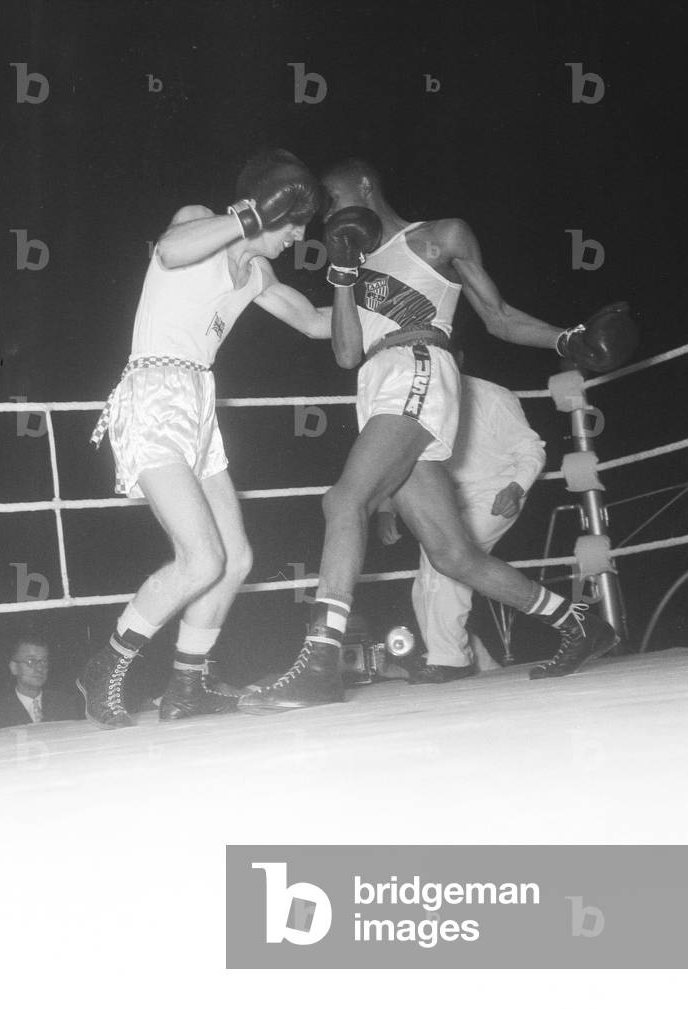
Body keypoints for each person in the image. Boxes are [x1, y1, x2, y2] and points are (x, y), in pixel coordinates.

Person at [239, 157, 637, 712]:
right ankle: (580, 625)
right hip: (378, 382)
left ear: (363, 185)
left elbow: (497, 317)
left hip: (418, 364)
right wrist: (331, 273)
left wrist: (566, 339)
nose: (325, 212)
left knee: (344, 500)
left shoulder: (438, 236)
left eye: (330, 199)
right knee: (452, 555)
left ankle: (322, 662)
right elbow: (346, 351)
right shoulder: (352, 257)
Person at [79, 150, 331, 728]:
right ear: (268, 205)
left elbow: (318, 324)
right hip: (152, 396)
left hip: (199, 406)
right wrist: (250, 215)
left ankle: (187, 686)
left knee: (235, 558)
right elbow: (169, 251)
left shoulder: (259, 274)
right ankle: (106, 665)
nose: (296, 237)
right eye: (292, 221)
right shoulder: (197, 222)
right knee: (201, 557)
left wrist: (362, 289)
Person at [376, 350, 546, 682]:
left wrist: (516, 487)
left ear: (458, 359)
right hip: (447, 499)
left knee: (447, 567)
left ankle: (450, 659)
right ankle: (473, 658)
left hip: (496, 492)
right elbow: (399, 460)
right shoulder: (419, 402)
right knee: (422, 586)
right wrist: (386, 508)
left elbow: (532, 449)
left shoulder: (493, 396)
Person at [0, 637, 85, 729]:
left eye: (43, 661)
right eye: (31, 661)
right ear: (14, 667)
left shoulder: (66, 704)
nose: (40, 668)